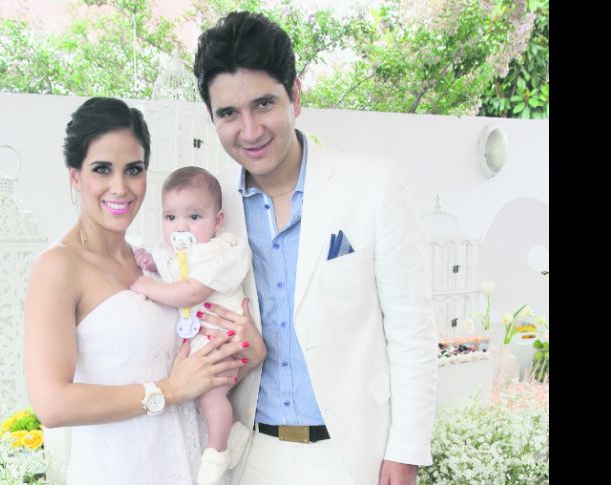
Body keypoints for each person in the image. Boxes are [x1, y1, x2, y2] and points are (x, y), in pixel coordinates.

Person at [193, 11, 437, 485]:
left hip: (351, 454)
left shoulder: (373, 184)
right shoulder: (213, 205)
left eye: (264, 104)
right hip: (250, 454)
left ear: (296, 96)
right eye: (229, 113)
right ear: (212, 117)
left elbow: (412, 328)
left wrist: (405, 451)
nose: (250, 130)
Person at [23, 97, 264, 485]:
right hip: (122, 469)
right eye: (102, 169)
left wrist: (247, 349)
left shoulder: (155, 259)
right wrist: (168, 390)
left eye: (133, 170)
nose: (120, 187)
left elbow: (192, 358)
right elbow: (52, 404)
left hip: (189, 461)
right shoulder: (58, 267)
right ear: (75, 176)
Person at [131, 166, 253, 485]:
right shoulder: (174, 253)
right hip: (201, 341)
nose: (180, 226)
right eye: (171, 217)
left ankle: (216, 453)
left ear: (217, 220)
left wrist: (145, 284)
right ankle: (233, 434)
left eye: (194, 217)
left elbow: (191, 291)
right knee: (201, 399)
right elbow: (172, 270)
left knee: (210, 397)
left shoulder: (218, 252)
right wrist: (152, 263)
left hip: (223, 339)